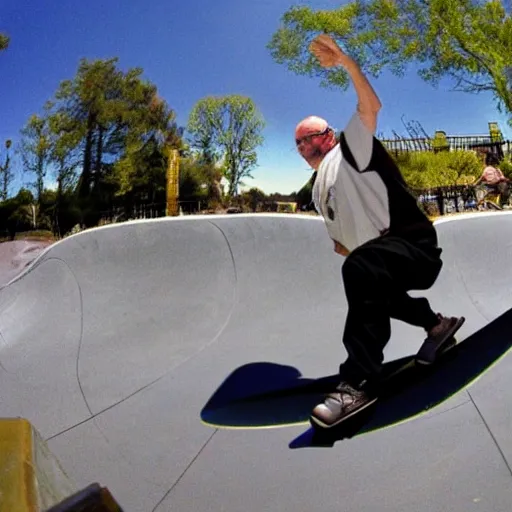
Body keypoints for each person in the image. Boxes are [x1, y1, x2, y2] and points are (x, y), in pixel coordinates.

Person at [295, 34, 465, 429]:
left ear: (326, 136)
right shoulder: (318, 188)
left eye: (308, 139)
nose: (303, 148)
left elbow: (370, 106)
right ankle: (438, 326)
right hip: (382, 257)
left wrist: (346, 63)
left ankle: (358, 381)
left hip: (414, 247)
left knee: (361, 269)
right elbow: (343, 241)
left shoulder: (351, 148)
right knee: (371, 282)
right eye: (297, 145)